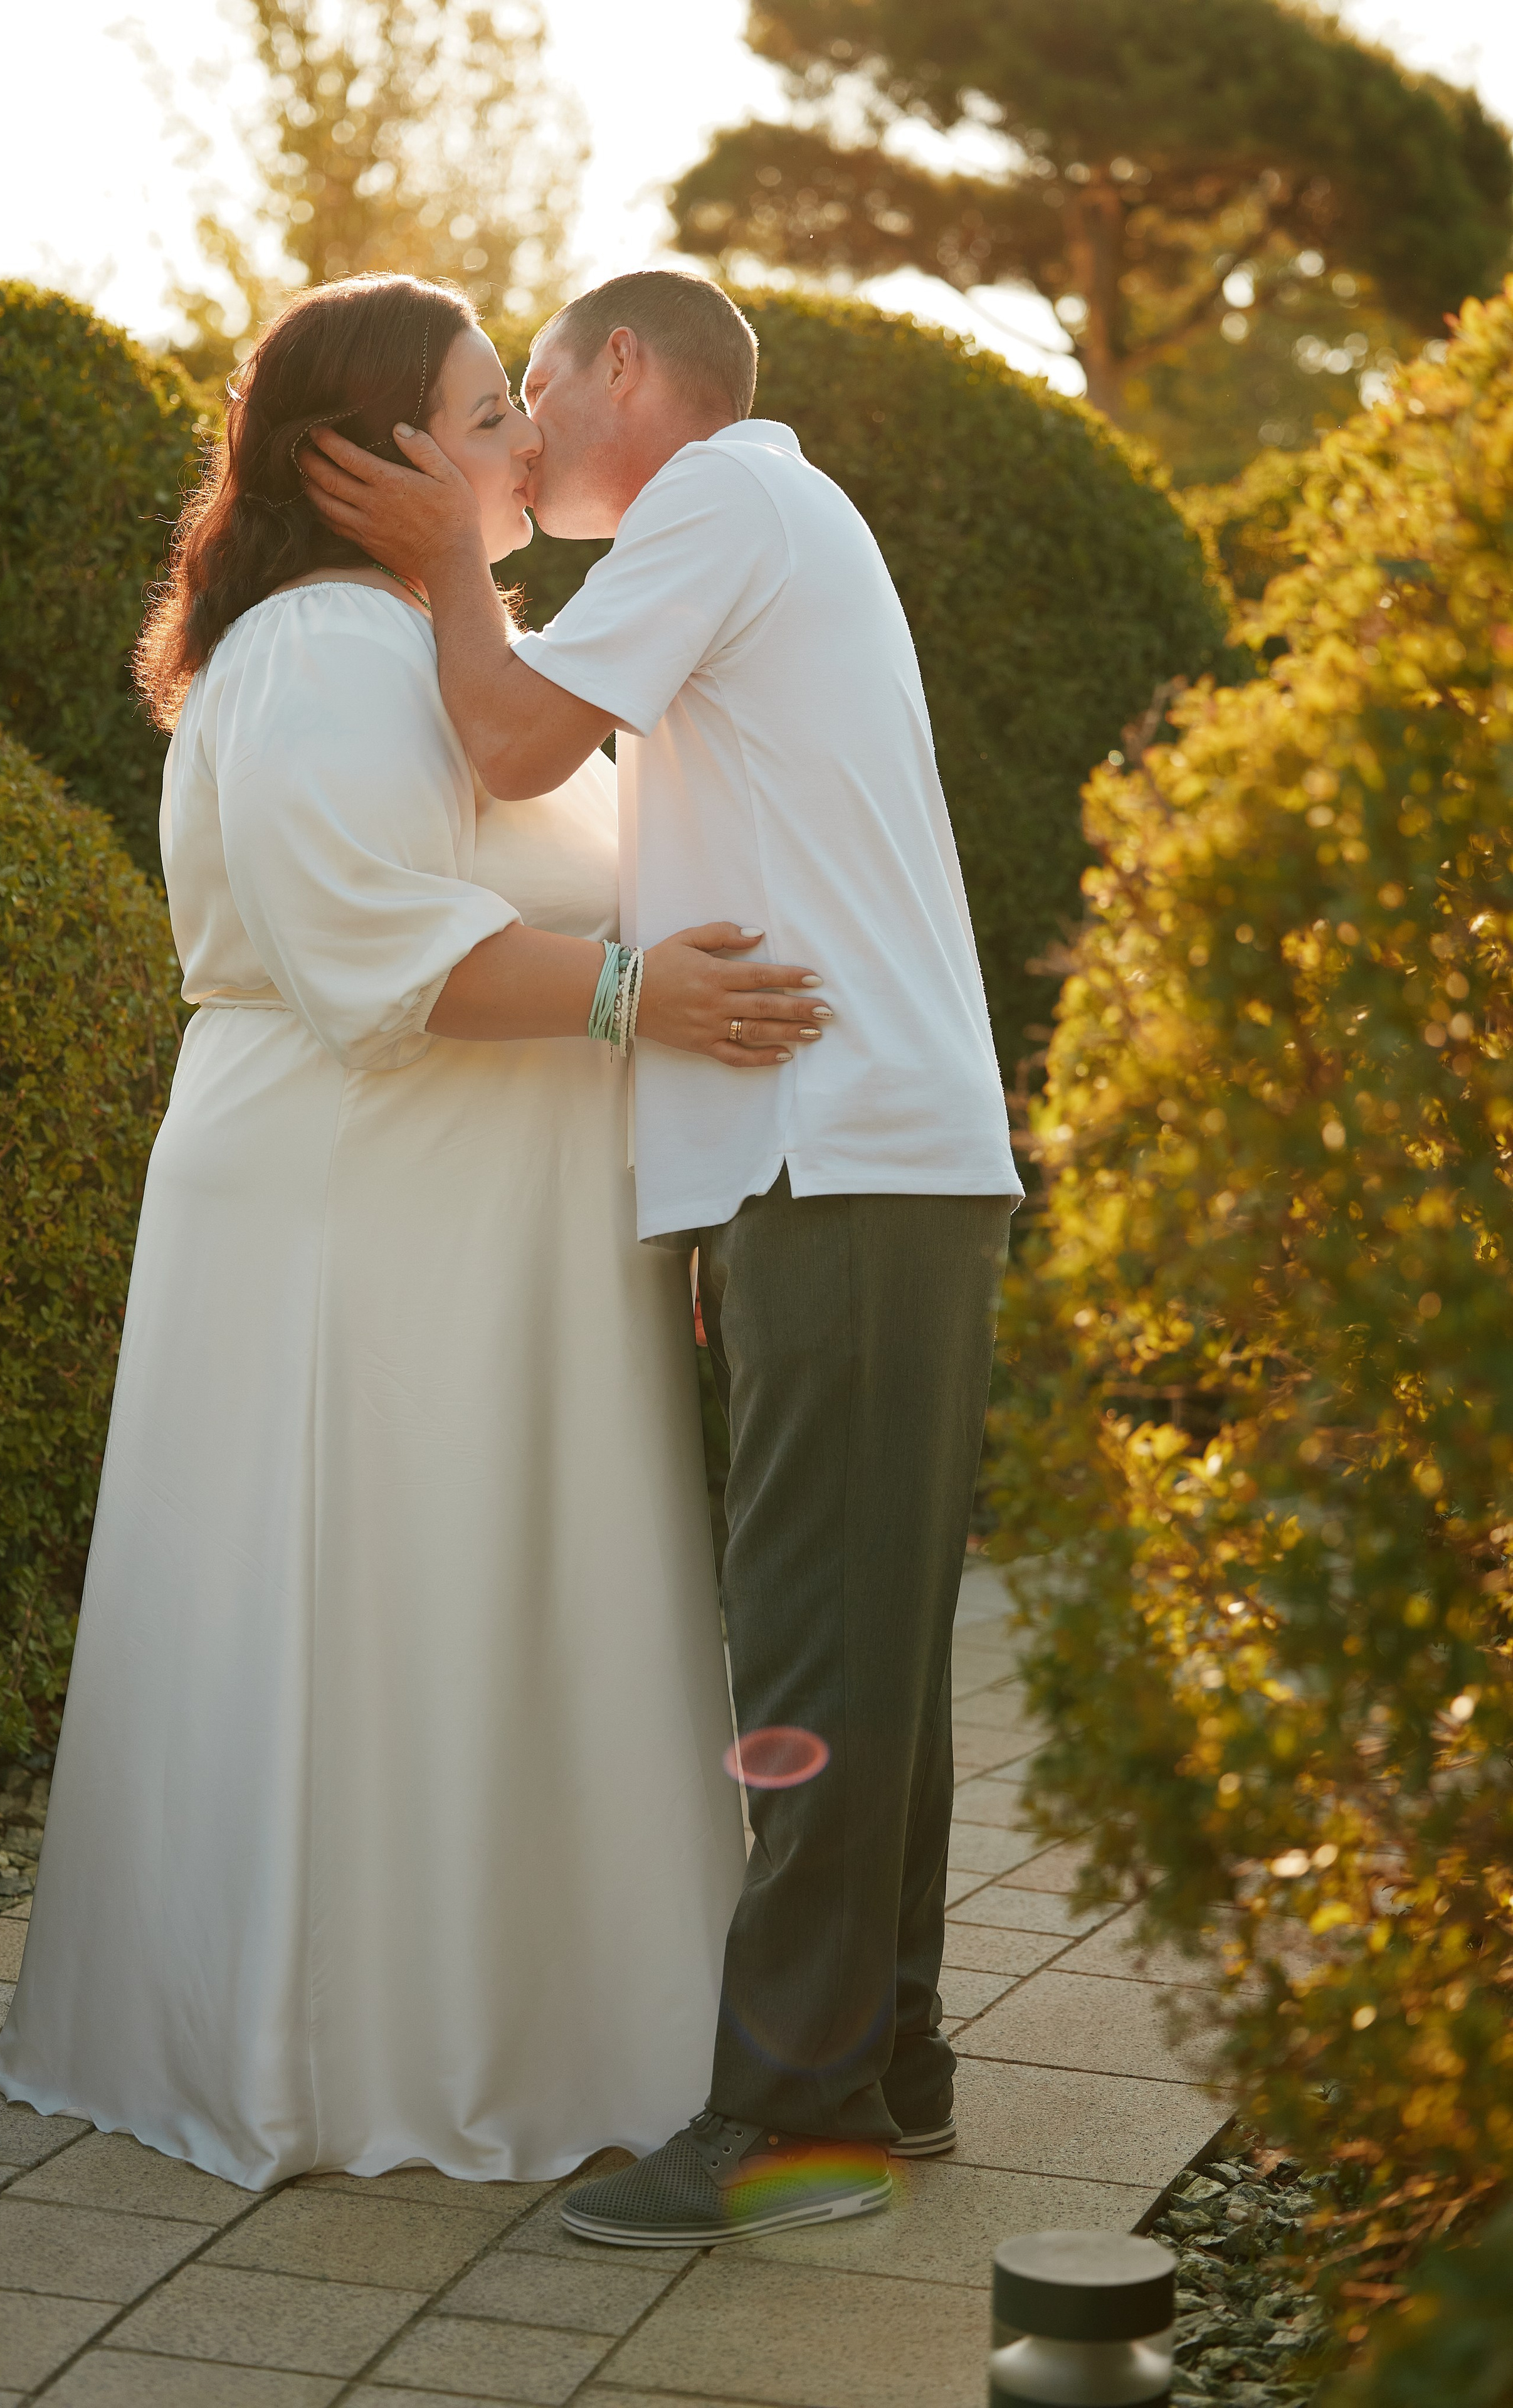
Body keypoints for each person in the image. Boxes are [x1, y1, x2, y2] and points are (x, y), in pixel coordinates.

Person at [0, 272, 828, 2190]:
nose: (522, 444)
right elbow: (367, 938)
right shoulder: (309, 654)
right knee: (382, 1593)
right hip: (358, 1222)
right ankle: (345, 2052)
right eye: (476, 418)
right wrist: (639, 1000)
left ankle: (549, 2019)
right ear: (348, 464)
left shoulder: (463, 651)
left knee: (518, 1599)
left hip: (508, 1236)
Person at [302, 268, 1025, 2246]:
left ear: (631, 366)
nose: (521, 431)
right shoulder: (779, 526)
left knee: (810, 1643)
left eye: (533, 386)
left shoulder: (724, 496)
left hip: (852, 1159)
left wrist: (453, 553)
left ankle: (796, 2120)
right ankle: (893, 2060)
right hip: (845, 1166)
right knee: (864, 1642)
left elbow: (520, 743)